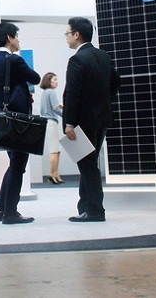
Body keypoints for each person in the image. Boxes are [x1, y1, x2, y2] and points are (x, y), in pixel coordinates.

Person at [62, 17, 120, 223]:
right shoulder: (103, 56)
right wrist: (101, 101)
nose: (66, 38)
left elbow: (72, 94)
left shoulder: (77, 60)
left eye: (67, 33)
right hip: (101, 119)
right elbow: (116, 83)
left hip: (82, 122)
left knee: (87, 165)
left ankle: (95, 210)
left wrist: (69, 122)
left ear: (77, 34)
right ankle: (85, 206)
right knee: (89, 163)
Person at [0, 21, 40, 225]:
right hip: (19, 121)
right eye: (17, 36)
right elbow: (35, 78)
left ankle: (3, 209)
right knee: (18, 165)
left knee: (14, 163)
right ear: (9, 38)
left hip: (1, 120)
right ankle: (10, 212)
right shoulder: (15, 60)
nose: (18, 40)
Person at [39, 72, 64, 184]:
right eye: (55, 79)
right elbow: (56, 108)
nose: (57, 82)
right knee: (55, 150)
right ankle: (52, 174)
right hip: (51, 123)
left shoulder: (45, 93)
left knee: (56, 150)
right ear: (49, 81)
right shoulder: (51, 92)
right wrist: (67, 115)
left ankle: (55, 174)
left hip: (47, 123)